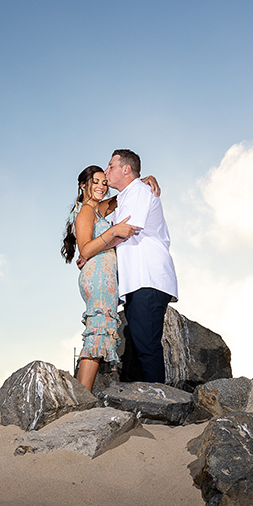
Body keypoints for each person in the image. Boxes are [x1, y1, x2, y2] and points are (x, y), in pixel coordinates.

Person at [61, 166, 159, 391]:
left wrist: (143, 180)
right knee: (97, 332)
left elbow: (123, 194)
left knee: (101, 331)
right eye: (95, 182)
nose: (101, 186)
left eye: (104, 183)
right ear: (83, 185)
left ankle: (83, 395)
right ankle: (82, 397)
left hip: (104, 277)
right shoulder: (86, 210)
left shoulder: (98, 209)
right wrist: (114, 231)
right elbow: (84, 250)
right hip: (97, 277)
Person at [104, 149, 178, 384]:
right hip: (137, 281)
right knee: (139, 348)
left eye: (110, 166)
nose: (106, 172)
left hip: (148, 278)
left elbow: (124, 232)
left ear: (126, 169)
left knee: (147, 348)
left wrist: (90, 251)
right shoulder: (127, 195)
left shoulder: (138, 191)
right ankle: (146, 402)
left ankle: (160, 404)